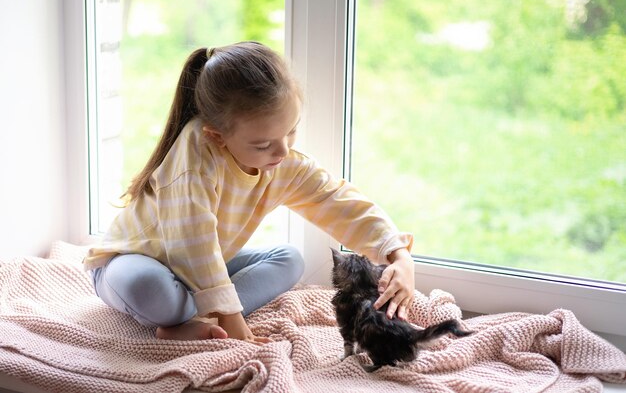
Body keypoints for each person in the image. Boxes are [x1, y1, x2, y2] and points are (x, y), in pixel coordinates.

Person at [84, 41, 414, 343]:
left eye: (292, 131)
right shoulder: (195, 154)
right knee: (154, 292)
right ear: (217, 136)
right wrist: (232, 319)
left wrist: (398, 255)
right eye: (262, 144)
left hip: (197, 271)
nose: (282, 151)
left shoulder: (280, 163)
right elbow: (191, 240)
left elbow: (337, 200)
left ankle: (195, 314)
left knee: (289, 258)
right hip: (133, 261)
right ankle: (189, 315)